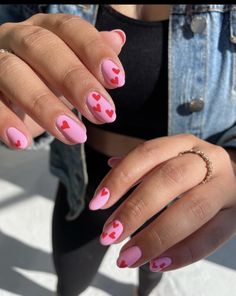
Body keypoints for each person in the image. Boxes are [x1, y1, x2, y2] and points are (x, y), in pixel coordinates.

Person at [0, 4, 236, 296]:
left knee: (150, 270)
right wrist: (13, 93)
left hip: (174, 195)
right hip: (85, 184)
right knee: (70, 281)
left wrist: (233, 161)